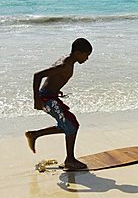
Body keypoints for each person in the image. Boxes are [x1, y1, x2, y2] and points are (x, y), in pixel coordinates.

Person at [25, 38, 92, 170]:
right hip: (46, 99)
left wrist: (56, 90)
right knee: (72, 125)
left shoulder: (67, 60)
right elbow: (37, 76)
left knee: (67, 125)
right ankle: (70, 160)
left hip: (50, 96)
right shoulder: (65, 65)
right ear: (78, 53)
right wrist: (36, 100)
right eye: (86, 55)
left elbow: (52, 79)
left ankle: (34, 135)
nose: (87, 59)